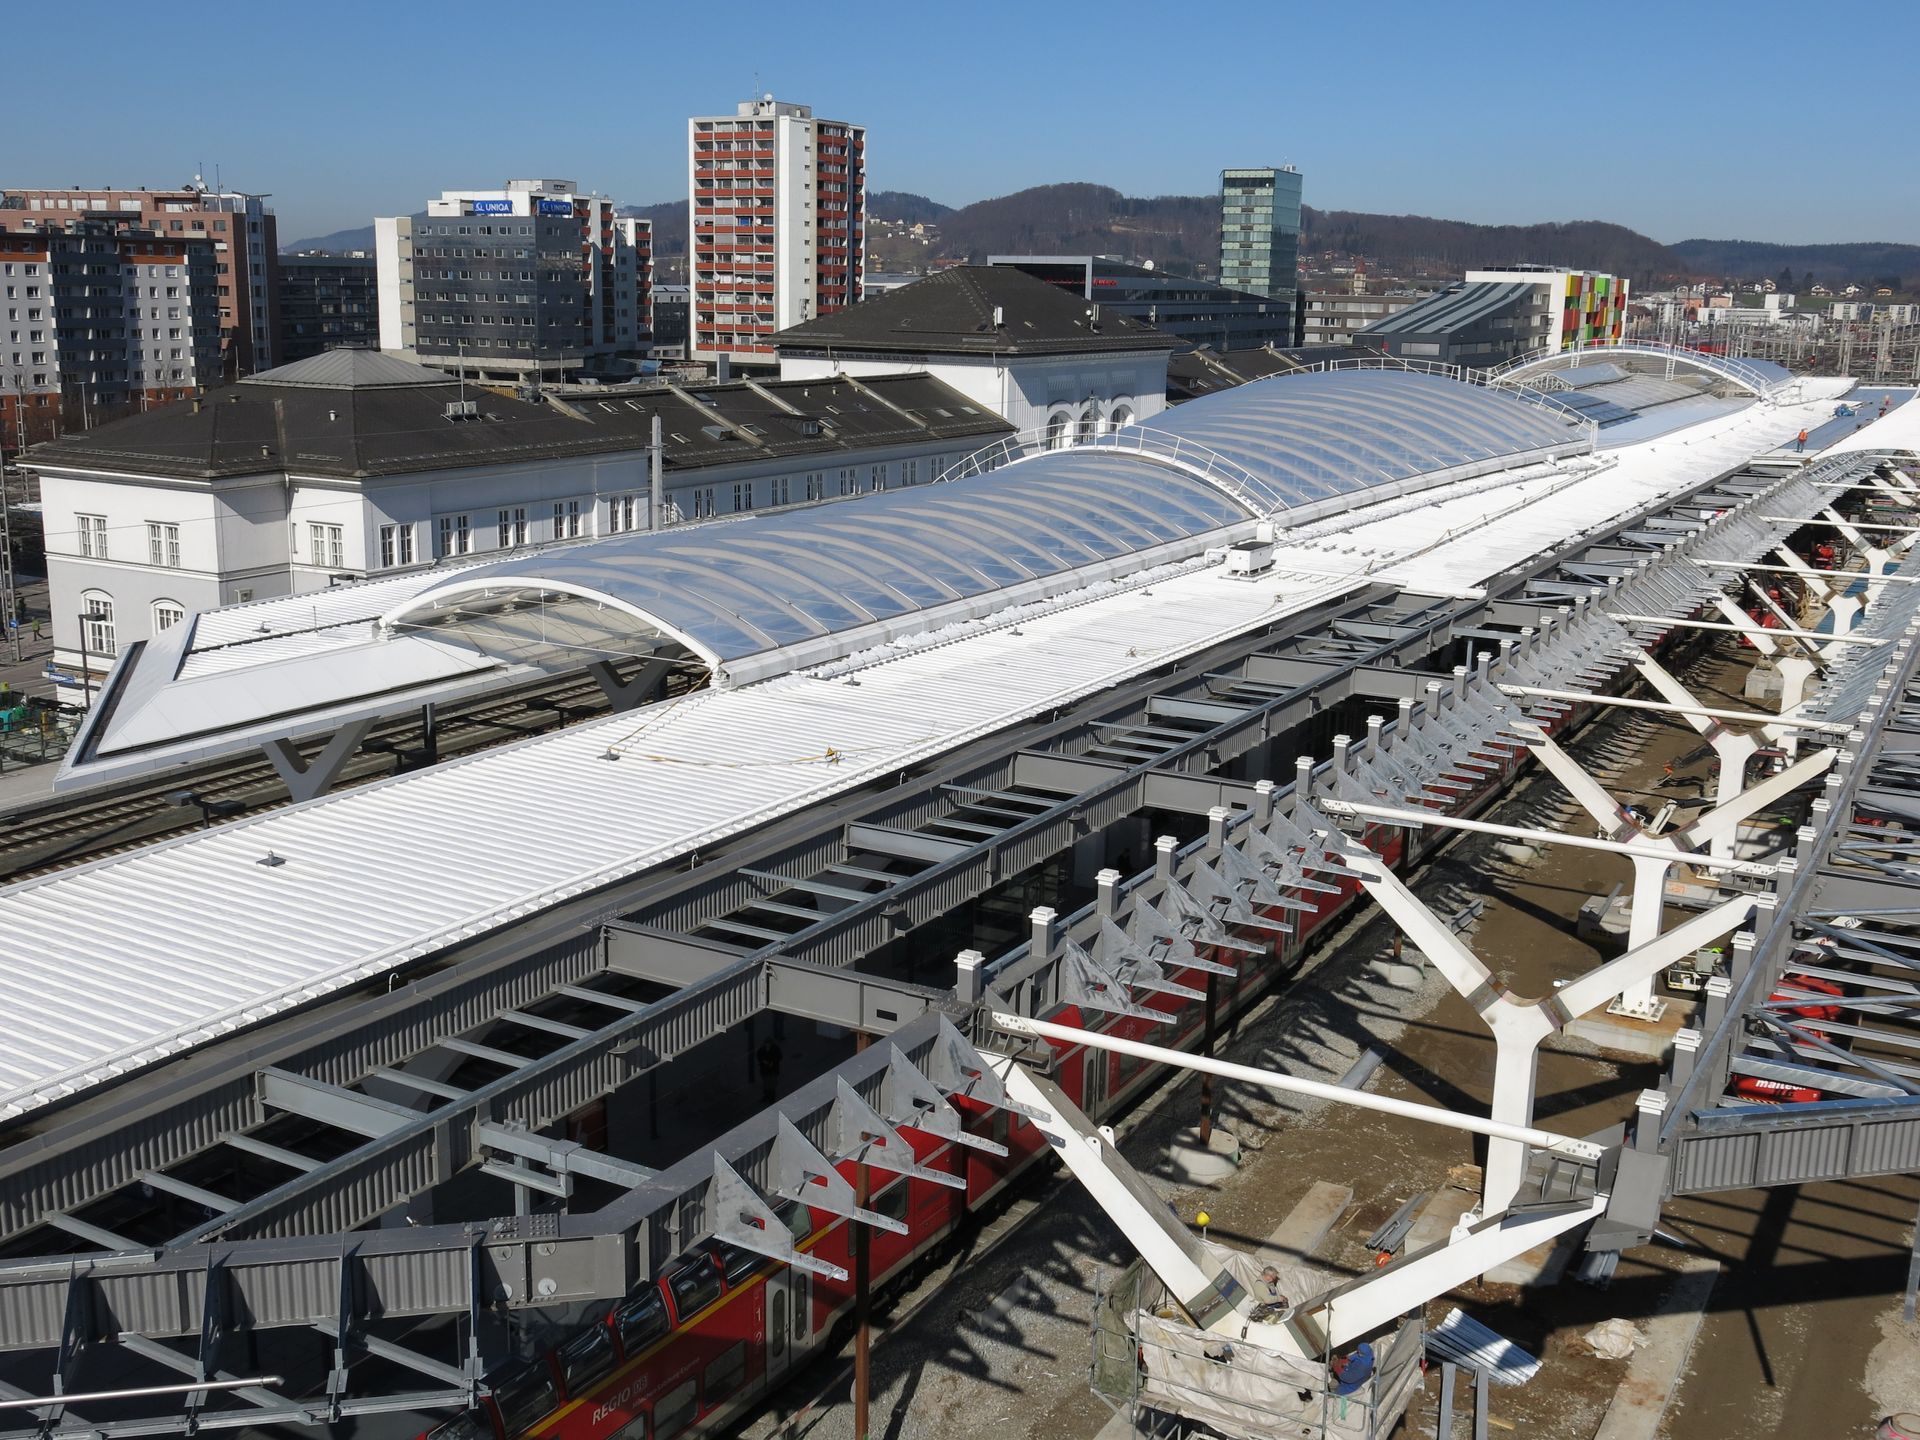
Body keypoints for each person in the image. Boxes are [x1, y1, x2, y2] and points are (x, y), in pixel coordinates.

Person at [755, 1034, 783, 1103]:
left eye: (769, 1044)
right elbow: (759, 1056)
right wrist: (764, 1061)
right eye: (767, 1044)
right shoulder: (762, 1050)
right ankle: (767, 1096)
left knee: (772, 1085)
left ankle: (771, 1099)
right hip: (765, 1071)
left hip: (773, 1070)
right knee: (766, 1084)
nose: (768, 1045)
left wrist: (773, 1062)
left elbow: (780, 1057)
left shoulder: (775, 1049)